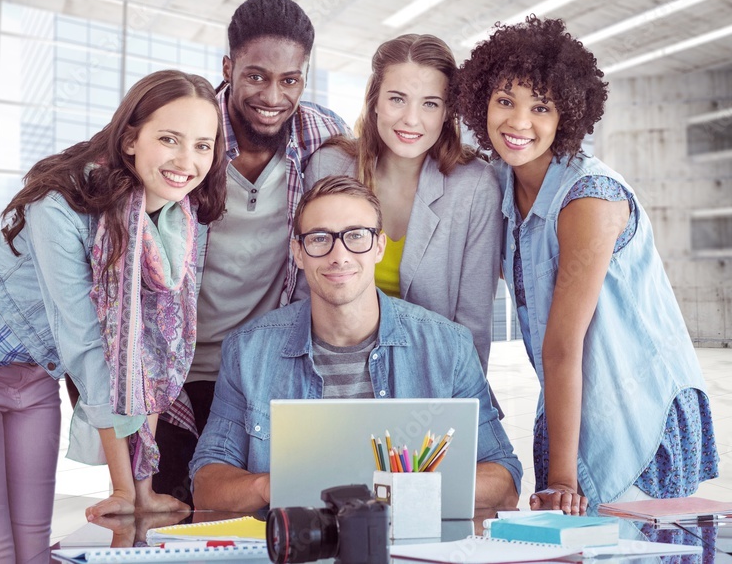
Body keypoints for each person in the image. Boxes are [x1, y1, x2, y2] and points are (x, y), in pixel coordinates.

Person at [0, 70, 226, 563]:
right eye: (169, 139)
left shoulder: (176, 217)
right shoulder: (60, 205)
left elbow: (152, 353)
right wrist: (125, 490)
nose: (187, 162)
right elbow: (87, 344)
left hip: (36, 373)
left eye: (203, 145)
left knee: (35, 549)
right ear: (130, 139)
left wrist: (141, 493)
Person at [453, 16, 719, 515]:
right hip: (572, 401)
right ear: (482, 102)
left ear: (567, 116)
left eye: (541, 107)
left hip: (640, 406)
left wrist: (560, 479)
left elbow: (562, 344)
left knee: (637, 544)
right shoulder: (503, 186)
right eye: (505, 101)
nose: (518, 122)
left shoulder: (589, 197)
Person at [190, 175, 522, 511]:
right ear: (298, 253)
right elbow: (205, 485)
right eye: (320, 239)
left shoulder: (449, 348)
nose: (339, 255)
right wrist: (272, 485)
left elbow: (504, 481)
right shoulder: (247, 351)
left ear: (379, 247)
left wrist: (410, 490)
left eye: (356, 237)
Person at [152, 0, 351, 506]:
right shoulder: (191, 137)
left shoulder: (323, 135)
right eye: (257, 75)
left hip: (260, 370)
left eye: (290, 80)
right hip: (174, 369)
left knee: (264, 515)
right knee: (172, 517)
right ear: (228, 66)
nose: (273, 96)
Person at [298, 34, 501, 374]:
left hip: (429, 371)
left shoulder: (475, 186)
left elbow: (473, 325)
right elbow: (306, 292)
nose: (411, 119)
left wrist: (459, 405)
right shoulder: (328, 166)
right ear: (374, 100)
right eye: (397, 99)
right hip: (333, 370)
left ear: (447, 112)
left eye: (430, 104)